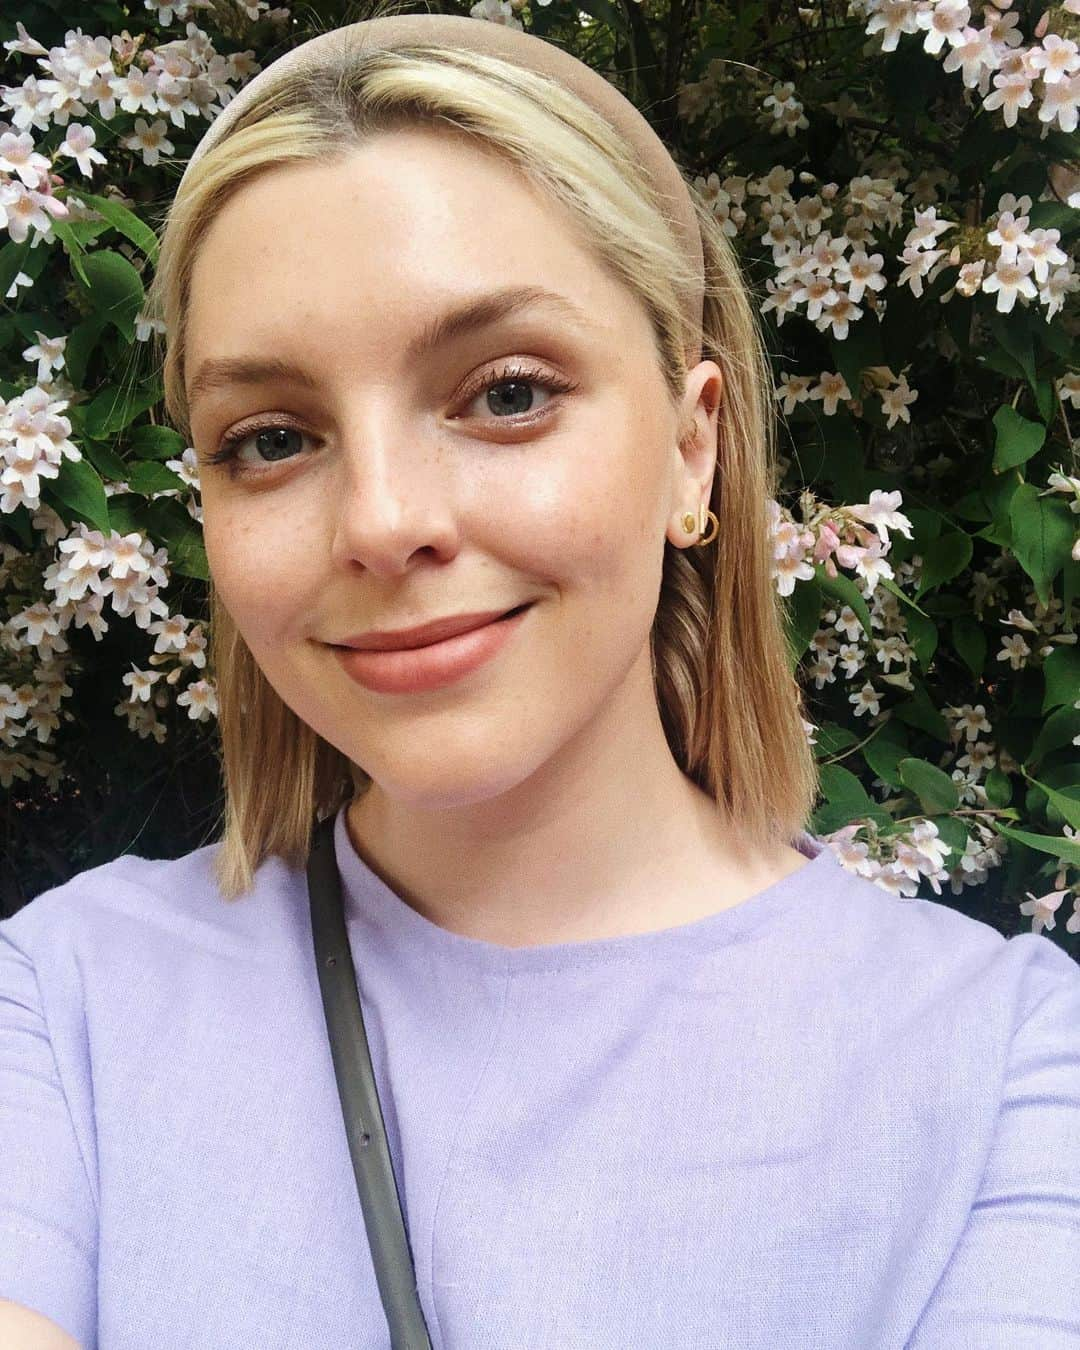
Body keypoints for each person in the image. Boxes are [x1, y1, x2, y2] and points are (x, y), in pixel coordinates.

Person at [2, 13, 1078, 1350]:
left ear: (693, 452)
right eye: (271, 437)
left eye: (508, 394)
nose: (383, 521)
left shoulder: (1015, 1069)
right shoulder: (67, 1008)